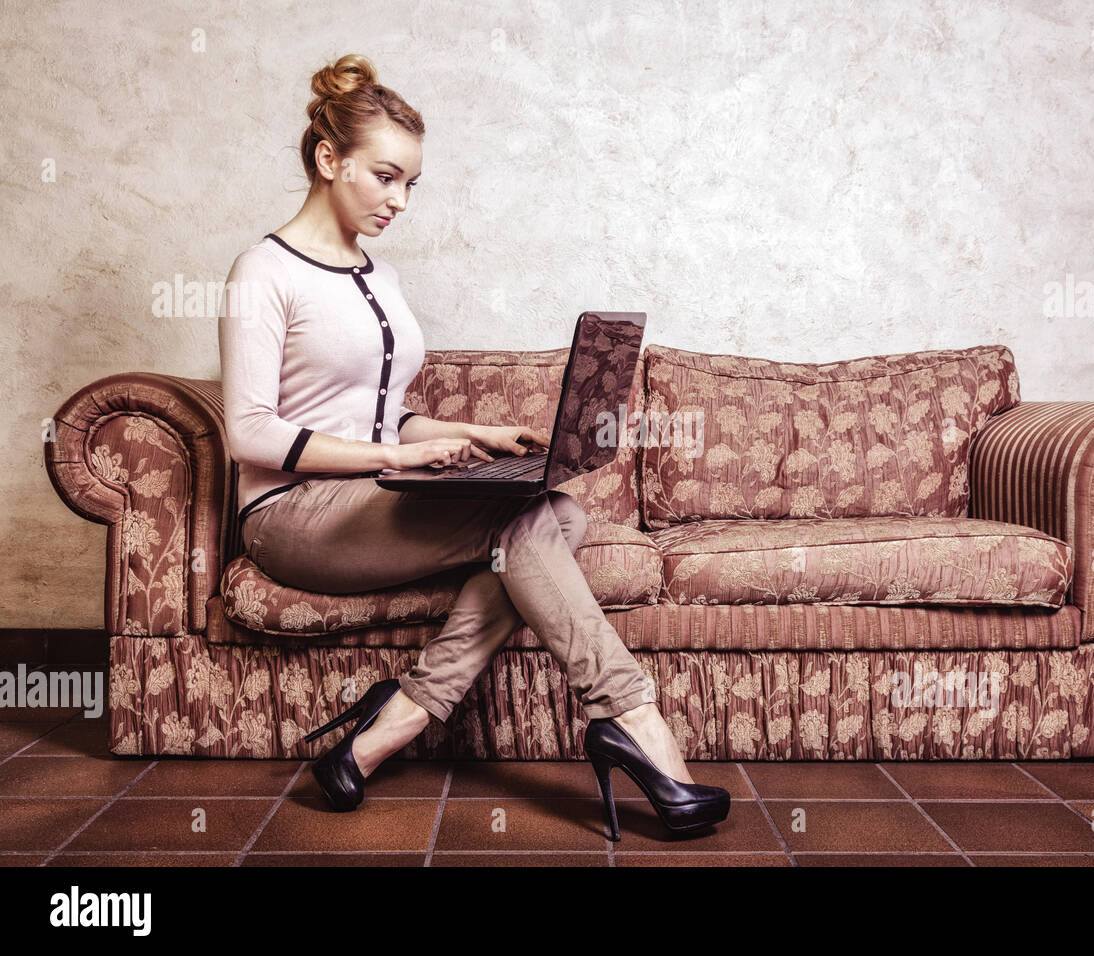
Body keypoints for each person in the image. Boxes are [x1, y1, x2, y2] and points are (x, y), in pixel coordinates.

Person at [218, 54, 728, 840]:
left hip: (364, 494)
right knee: (525, 523)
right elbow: (250, 431)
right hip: (289, 517)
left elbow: (384, 416)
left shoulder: (377, 276)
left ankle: (397, 720)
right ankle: (634, 717)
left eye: (411, 184)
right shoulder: (263, 271)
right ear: (329, 160)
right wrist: (398, 461)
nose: (400, 200)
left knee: (556, 509)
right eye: (386, 177)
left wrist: (464, 436)